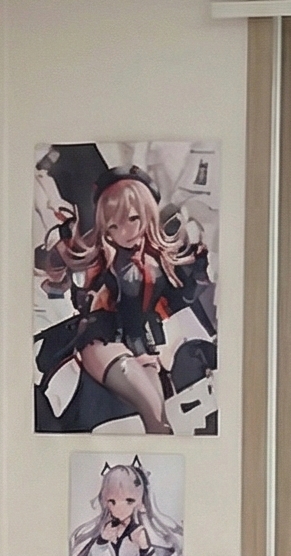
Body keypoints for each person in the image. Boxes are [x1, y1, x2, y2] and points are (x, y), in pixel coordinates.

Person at [36, 164, 213, 434]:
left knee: (160, 423)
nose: (125, 232)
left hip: (144, 346)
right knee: (154, 415)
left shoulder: (156, 261)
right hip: (103, 341)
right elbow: (61, 269)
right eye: (114, 226)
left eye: (132, 219)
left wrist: (198, 271)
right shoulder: (103, 259)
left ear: (147, 213)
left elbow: (177, 298)